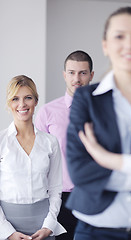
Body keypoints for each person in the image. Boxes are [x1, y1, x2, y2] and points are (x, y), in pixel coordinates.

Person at [66, 6, 131, 240]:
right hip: (93, 229)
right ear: (105, 45)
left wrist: (109, 160)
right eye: (119, 36)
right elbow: (79, 171)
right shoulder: (85, 98)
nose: (129, 44)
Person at [35, 50, 94, 240]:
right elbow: (38, 158)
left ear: (91, 75)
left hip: (95, 195)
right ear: (64, 74)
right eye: (71, 72)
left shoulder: (103, 110)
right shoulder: (47, 113)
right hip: (60, 200)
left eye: (83, 73)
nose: (77, 78)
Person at [0, 75, 66, 240]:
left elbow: (56, 188)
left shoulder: (50, 142)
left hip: (43, 226)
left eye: (28, 98)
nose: (22, 104)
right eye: (15, 98)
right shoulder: (1, 142)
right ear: (9, 104)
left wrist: (49, 226)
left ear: (36, 101)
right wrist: (8, 232)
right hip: (7, 227)